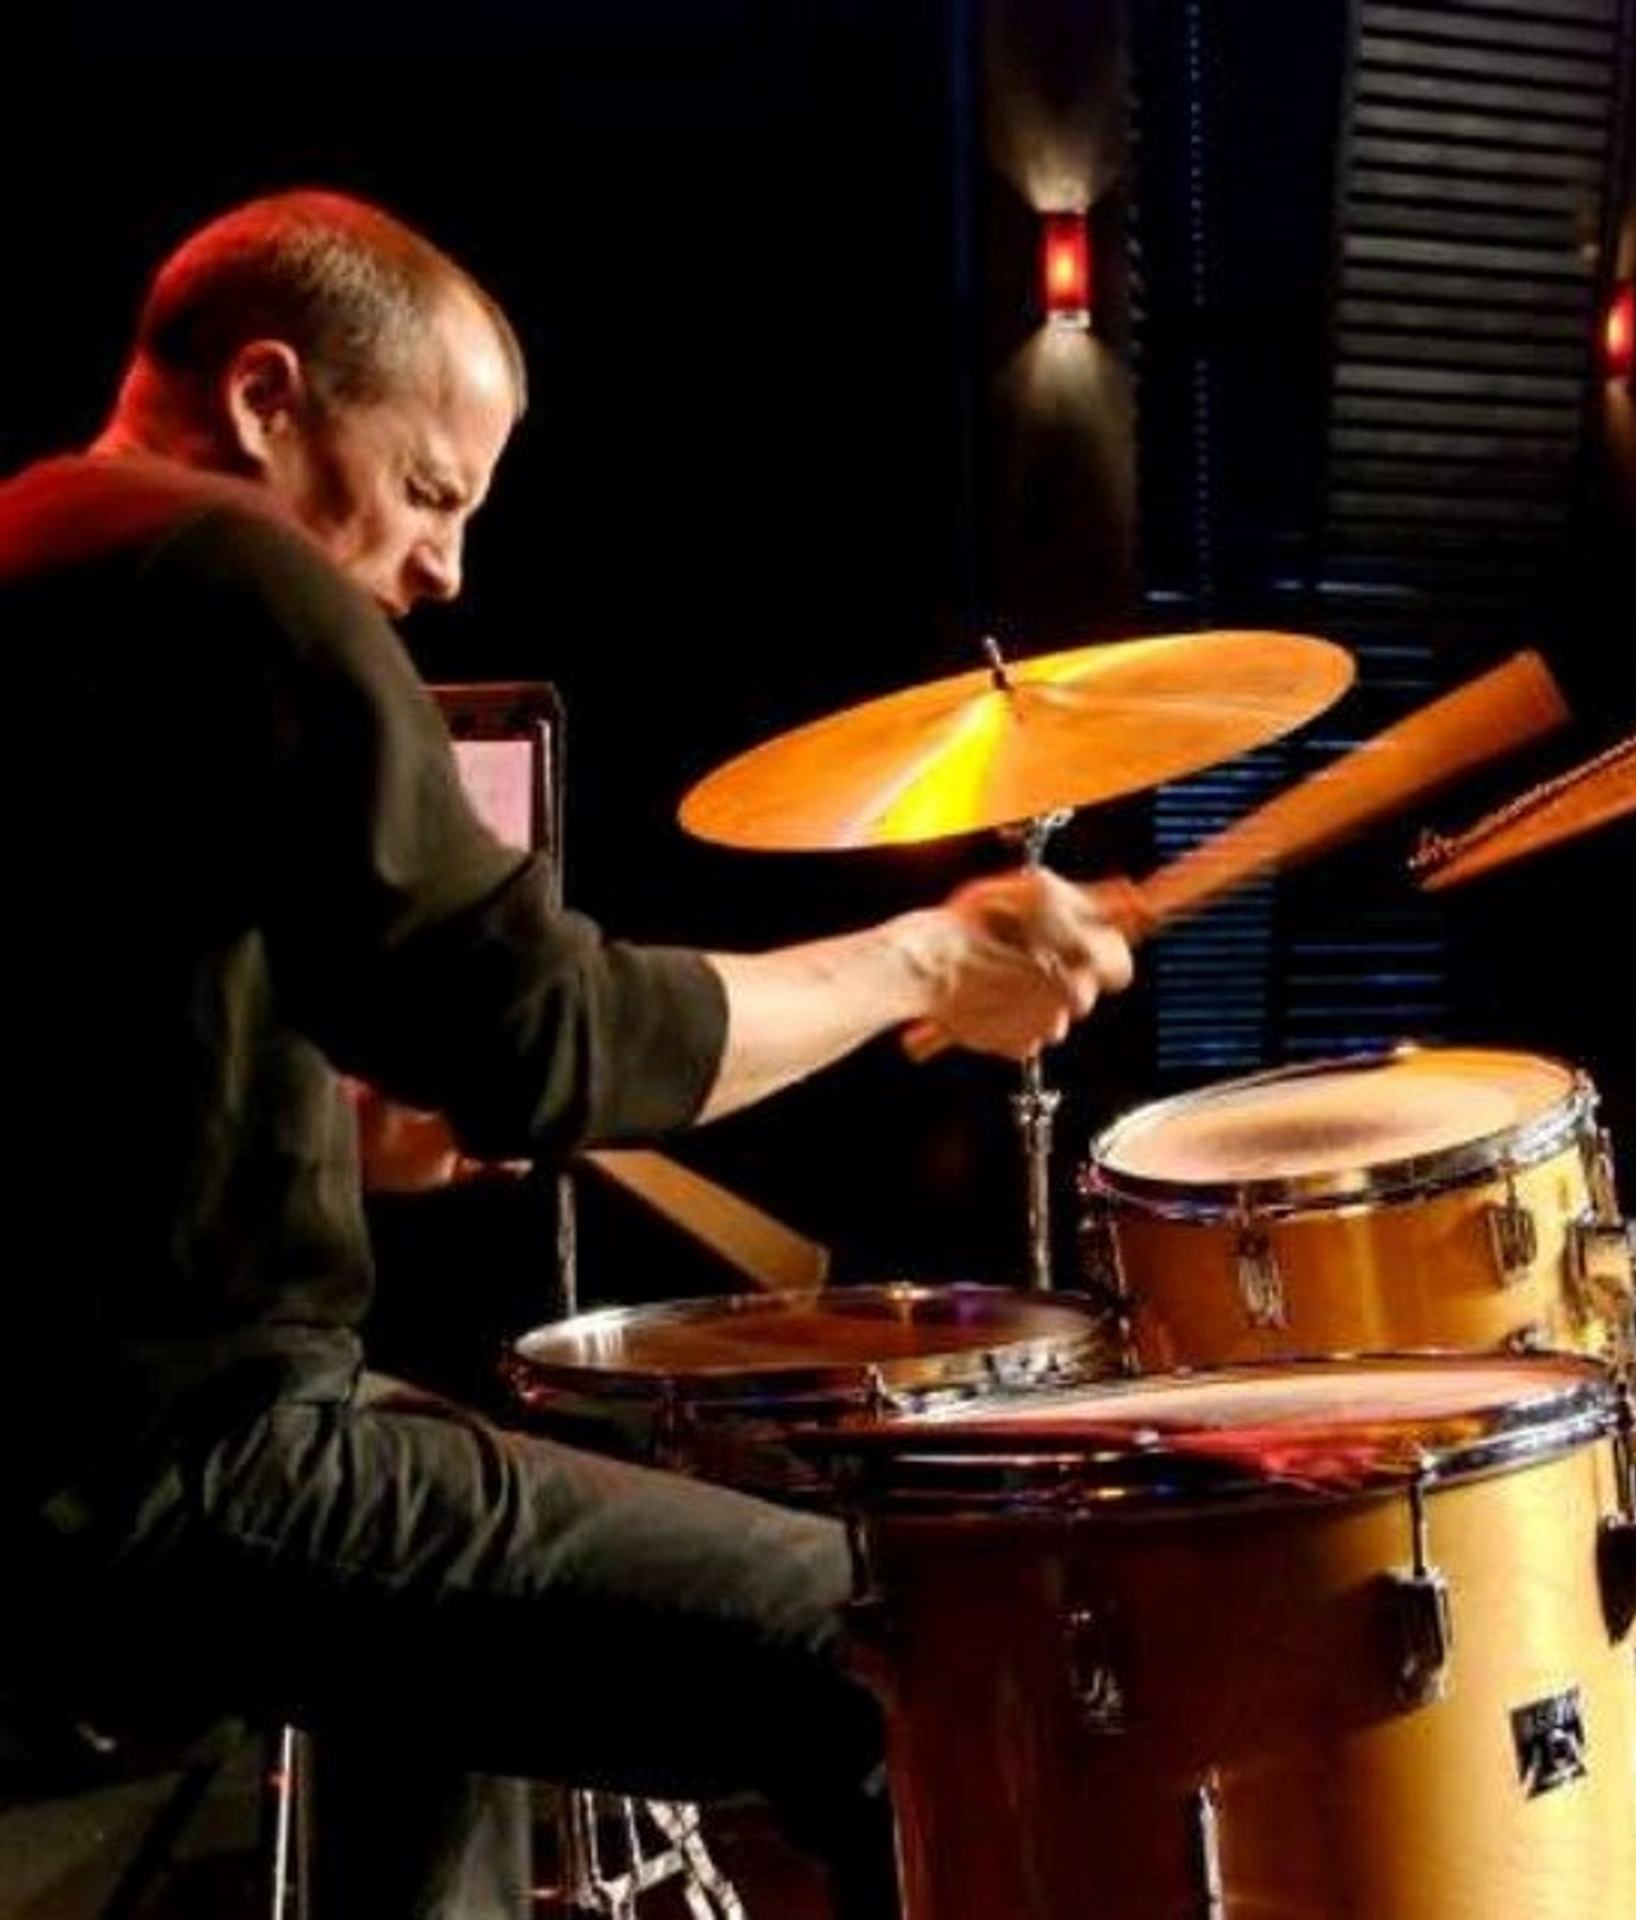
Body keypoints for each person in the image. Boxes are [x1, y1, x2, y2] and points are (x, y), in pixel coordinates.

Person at [0, 189, 1132, 1918]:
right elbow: (549, 1036)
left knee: (445, 1690)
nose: (447, 568)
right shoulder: (226, 572)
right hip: (175, 1468)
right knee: (909, 1651)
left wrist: (335, 1137)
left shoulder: (39, 548)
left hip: (73, 1448)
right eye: (431, 491)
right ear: (265, 398)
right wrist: (924, 958)